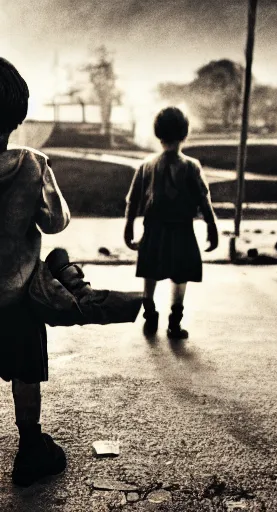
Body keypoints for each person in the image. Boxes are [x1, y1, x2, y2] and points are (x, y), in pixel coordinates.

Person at [0, 57, 70, 486]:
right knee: (26, 371)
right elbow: (55, 222)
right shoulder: (32, 164)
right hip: (17, 296)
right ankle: (29, 448)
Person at [124, 107, 218, 338]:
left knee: (150, 270)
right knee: (180, 273)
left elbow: (133, 200)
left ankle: (150, 311)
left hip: (153, 228)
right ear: (185, 134)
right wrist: (212, 227)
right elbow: (203, 200)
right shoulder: (191, 167)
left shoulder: (146, 166)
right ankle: (174, 322)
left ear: (158, 133)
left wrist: (128, 229)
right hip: (182, 229)